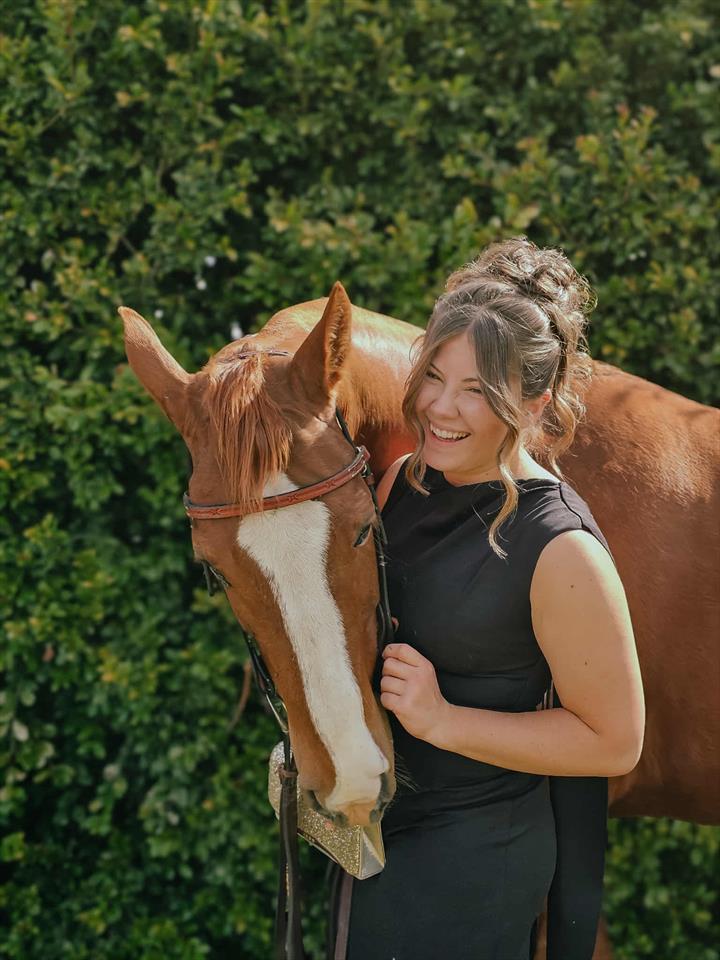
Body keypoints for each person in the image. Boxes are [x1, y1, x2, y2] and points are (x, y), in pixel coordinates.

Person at [336, 237, 645, 960]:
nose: (440, 407)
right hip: (378, 832)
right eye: (434, 375)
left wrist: (443, 719)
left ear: (536, 403)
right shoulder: (403, 481)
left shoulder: (562, 549)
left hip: (473, 857)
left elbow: (615, 740)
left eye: (477, 390)